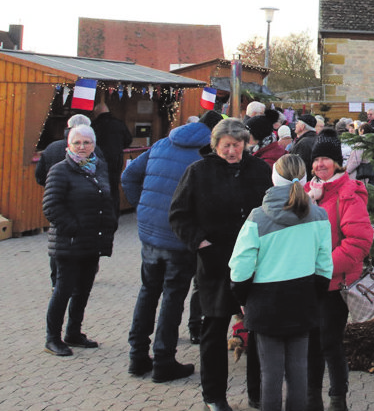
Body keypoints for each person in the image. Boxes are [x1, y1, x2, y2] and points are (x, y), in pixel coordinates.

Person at [170, 118, 274, 411]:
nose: (232, 151)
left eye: (237, 145)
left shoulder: (259, 170)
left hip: (254, 263)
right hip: (215, 263)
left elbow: (272, 209)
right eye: (226, 146)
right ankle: (214, 396)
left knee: (256, 329)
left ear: (246, 144)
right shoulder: (198, 172)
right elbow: (179, 215)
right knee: (213, 330)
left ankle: (258, 392)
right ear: (215, 146)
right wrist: (201, 243)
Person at [230, 155, 333, 411]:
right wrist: (315, 296)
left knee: (270, 374)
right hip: (303, 297)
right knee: (299, 371)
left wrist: (242, 298)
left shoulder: (257, 218)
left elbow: (240, 267)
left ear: (274, 178)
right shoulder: (318, 215)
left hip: (265, 302)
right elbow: (324, 265)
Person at [122, 119, 212, 382]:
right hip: (180, 238)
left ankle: (137, 357)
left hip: (150, 235)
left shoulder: (161, 144)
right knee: (173, 298)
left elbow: (128, 176)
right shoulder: (205, 154)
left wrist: (143, 207)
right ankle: (163, 360)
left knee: (148, 292)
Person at [304, 131, 374, 411]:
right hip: (306, 283)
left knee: (329, 342)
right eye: (317, 159)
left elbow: (359, 242)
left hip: (333, 284)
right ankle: (311, 397)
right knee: (309, 343)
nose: (321, 164)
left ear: (337, 162)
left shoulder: (348, 194)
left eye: (327, 159)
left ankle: (337, 397)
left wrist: (323, 268)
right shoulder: (308, 193)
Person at [42, 124, 117, 357]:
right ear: (69, 145)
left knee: (83, 289)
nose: (82, 147)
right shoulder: (60, 170)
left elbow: (106, 199)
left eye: (87, 142)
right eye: (77, 143)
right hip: (69, 243)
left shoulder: (98, 168)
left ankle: (73, 332)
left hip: (91, 242)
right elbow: (51, 206)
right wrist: (73, 228)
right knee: (63, 290)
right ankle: (52, 338)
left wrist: (109, 224)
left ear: (94, 145)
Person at [91, 100, 133, 217]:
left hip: (99, 161)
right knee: (114, 187)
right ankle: (114, 212)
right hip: (116, 160)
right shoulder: (119, 123)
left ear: (97, 113)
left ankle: (102, 213)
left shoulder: (94, 126)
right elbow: (128, 140)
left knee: (99, 187)